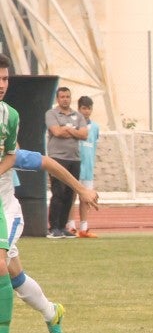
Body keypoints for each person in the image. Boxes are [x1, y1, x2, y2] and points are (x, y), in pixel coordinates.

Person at [0, 54, 100, 333]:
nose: (2, 84)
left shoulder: (9, 126)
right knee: (15, 278)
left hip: (6, 212)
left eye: (5, 79)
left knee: (0, 265)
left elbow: (46, 162)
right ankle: (51, 312)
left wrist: (82, 189)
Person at [44, 86, 88, 239]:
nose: (65, 99)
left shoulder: (78, 115)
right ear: (58, 99)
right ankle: (53, 227)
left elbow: (84, 134)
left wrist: (68, 129)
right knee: (58, 192)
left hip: (74, 159)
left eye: (67, 97)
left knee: (70, 193)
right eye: (62, 97)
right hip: (57, 158)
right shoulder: (51, 114)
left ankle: (63, 226)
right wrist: (74, 131)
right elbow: (56, 131)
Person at [65, 95, 100, 237]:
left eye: (89, 108)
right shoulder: (73, 125)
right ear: (79, 109)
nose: (86, 111)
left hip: (88, 169)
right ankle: (71, 225)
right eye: (84, 108)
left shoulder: (95, 127)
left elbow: (93, 145)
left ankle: (84, 227)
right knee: (72, 196)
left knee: (86, 198)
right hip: (75, 166)